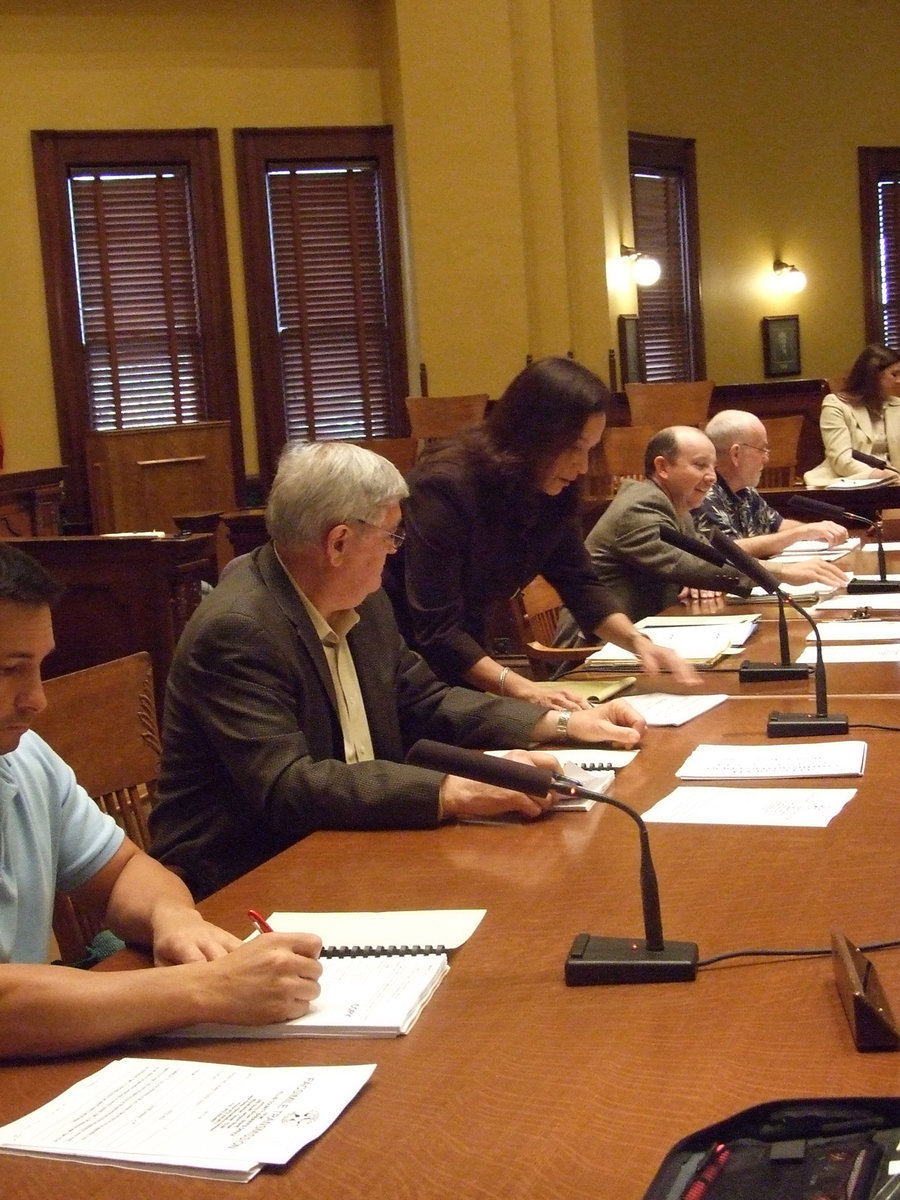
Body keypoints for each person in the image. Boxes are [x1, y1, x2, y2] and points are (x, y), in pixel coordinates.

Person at [149, 440, 646, 901]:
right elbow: (288, 788)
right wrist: (456, 791)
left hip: (354, 841)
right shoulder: (240, 630)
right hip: (248, 876)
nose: (395, 550)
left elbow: (426, 701)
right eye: (390, 535)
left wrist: (560, 724)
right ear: (339, 543)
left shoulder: (362, 602)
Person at [0, 541, 324, 1061]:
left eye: (39, 667)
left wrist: (174, 919)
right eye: (7, 670)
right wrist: (209, 990)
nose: (36, 698)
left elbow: (124, 872)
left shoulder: (25, 756)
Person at [383, 356, 697, 710]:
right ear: (532, 433)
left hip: (463, 660)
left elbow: (581, 584)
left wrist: (639, 642)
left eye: (590, 451)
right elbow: (436, 629)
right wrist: (524, 688)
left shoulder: (550, 490)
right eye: (574, 448)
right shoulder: (444, 487)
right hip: (400, 667)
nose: (581, 467)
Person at [555, 426, 754, 635]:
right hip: (594, 647)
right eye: (700, 465)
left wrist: (699, 578)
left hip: (643, 634)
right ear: (662, 467)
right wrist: (778, 575)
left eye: (713, 467)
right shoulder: (640, 506)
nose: (712, 477)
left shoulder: (677, 507)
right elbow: (687, 566)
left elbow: (708, 559)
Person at [696, 409, 852, 590]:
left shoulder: (745, 491)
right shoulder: (705, 493)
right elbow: (728, 549)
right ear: (735, 454)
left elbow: (777, 525)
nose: (767, 458)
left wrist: (822, 531)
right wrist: (802, 533)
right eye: (762, 449)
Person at [804, 344, 900, 485]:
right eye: (894, 374)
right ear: (873, 375)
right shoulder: (836, 405)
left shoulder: (897, 405)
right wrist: (878, 475)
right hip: (849, 484)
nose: (899, 381)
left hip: (894, 486)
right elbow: (841, 460)